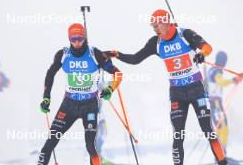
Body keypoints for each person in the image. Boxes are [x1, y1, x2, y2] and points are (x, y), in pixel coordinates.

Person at [105, 9, 227, 165]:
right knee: (178, 135)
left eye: (157, 25)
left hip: (196, 89)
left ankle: (223, 162)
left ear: (167, 23)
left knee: (208, 131)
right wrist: (116, 54)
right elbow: (136, 59)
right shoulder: (155, 43)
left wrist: (202, 53)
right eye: (153, 26)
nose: (155, 29)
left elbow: (207, 47)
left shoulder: (185, 34)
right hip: (177, 93)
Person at [37, 23, 123, 165]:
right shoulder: (63, 54)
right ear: (69, 39)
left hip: (89, 106)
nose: (77, 42)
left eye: (80, 39)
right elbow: (50, 74)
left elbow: (118, 74)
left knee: (90, 146)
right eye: (73, 39)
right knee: (49, 143)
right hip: (68, 105)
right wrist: (46, 98)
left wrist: (110, 89)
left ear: (85, 38)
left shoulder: (94, 54)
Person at [207, 51, 242, 154]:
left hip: (214, 103)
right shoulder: (217, 71)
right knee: (223, 129)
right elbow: (220, 82)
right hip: (216, 103)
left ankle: (220, 155)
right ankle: (221, 156)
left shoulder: (212, 69)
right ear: (222, 60)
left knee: (219, 129)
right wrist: (234, 80)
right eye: (224, 60)